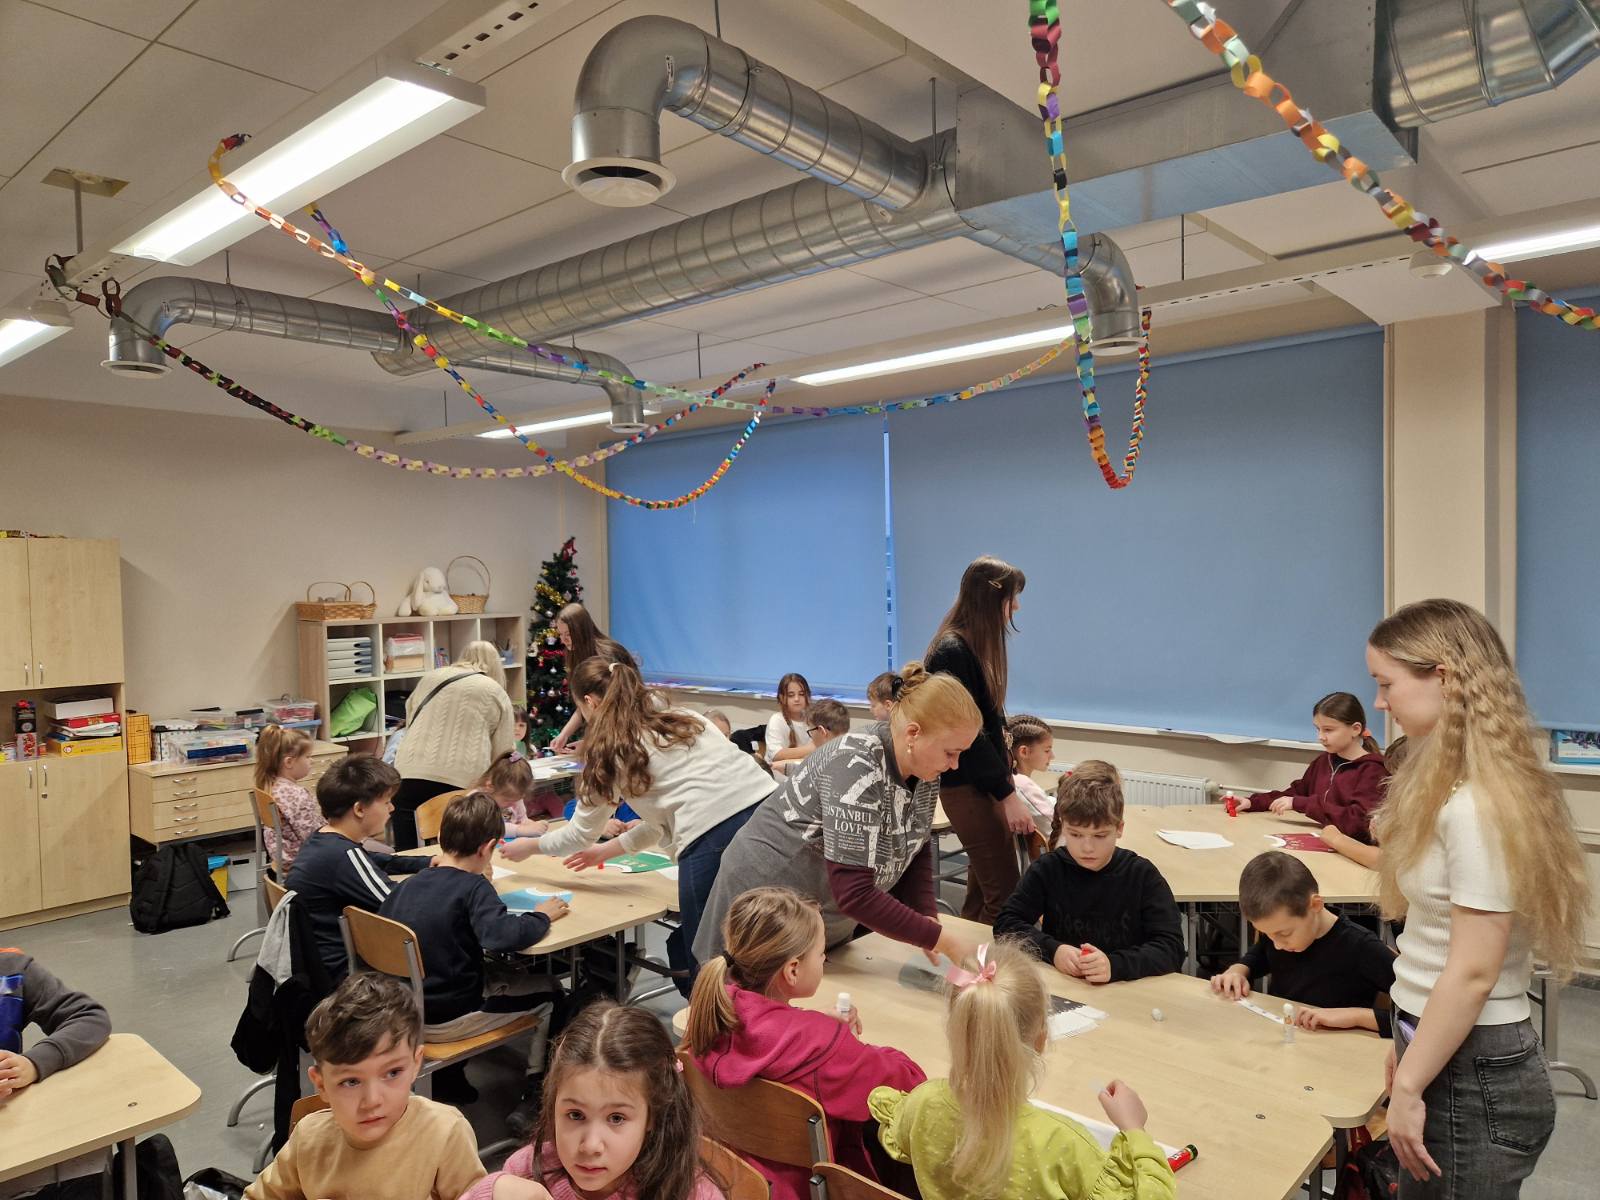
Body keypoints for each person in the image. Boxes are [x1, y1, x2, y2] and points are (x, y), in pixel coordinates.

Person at [1366, 598, 1589, 1193]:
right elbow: (1433, 946)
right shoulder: (1448, 786)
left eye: (1386, 684)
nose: (1380, 702)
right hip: (1441, 1043)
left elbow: (1472, 972)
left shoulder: (1475, 806)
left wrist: (1410, 1084)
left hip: (1474, 1065)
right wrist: (1408, 1049)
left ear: (1442, 678)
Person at [502, 659, 775, 992]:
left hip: (712, 839)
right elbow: (668, 818)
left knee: (706, 960)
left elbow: (579, 834)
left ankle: (717, 1023)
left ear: (590, 702)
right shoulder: (683, 719)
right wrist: (606, 851)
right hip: (768, 818)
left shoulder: (610, 750)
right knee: (758, 941)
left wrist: (530, 847)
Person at [695, 663, 982, 968]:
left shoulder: (926, 768)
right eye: (950, 752)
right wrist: (942, 940)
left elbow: (914, 840)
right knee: (744, 990)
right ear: (913, 733)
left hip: (817, 912)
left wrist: (926, 915)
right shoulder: (856, 762)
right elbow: (855, 893)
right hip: (763, 905)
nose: (955, 764)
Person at [868, 940, 1175, 1200]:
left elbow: (894, 1135)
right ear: (1041, 1039)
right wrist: (1135, 1131)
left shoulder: (922, 1105)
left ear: (957, 1027)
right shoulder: (1062, 1146)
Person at [685, 887, 926, 1199]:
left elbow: (766, 1034)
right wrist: (840, 1041)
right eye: (821, 952)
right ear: (793, 970)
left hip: (728, 1176)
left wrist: (808, 1021)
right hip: (804, 1189)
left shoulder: (709, 1014)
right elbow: (907, 1084)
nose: (824, 958)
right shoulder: (823, 1046)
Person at [380, 791, 568, 1129]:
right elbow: (504, 936)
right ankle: (537, 1094)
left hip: (403, 1010)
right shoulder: (473, 888)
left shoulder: (409, 884)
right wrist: (542, 915)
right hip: (448, 1018)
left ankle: (448, 1079)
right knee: (552, 992)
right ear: (488, 848)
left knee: (485, 968)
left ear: (441, 838)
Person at [245, 973, 484, 1200]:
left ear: (415, 1063)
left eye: (392, 1073)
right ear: (321, 1084)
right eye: (351, 1081)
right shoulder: (309, 1138)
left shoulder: (445, 1133)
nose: (372, 1100)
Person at [459, 1001, 726, 1200]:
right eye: (575, 1114)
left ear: (652, 1116)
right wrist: (493, 1190)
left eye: (616, 1118)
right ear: (553, 1106)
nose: (590, 1146)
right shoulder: (527, 1171)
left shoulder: (689, 1192)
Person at [994, 762, 1183, 983]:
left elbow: (1171, 948)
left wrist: (1115, 965)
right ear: (1063, 826)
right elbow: (1006, 925)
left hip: (1126, 989)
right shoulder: (1048, 869)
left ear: (1119, 829)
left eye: (1100, 836)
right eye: (1075, 834)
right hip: (1067, 988)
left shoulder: (1142, 875)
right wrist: (1054, 950)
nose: (1087, 848)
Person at [924, 555, 1034, 923]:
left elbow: (990, 721)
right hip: (967, 785)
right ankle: (994, 962)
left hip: (983, 783)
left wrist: (1007, 783)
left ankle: (969, 957)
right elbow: (970, 736)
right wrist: (1007, 795)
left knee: (982, 895)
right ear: (991, 599)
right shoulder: (951, 651)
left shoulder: (971, 647)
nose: (1016, 607)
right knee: (1005, 897)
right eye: (1011, 599)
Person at [1210, 851, 1396, 1033]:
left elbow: (1411, 1020)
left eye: (1284, 933)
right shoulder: (1281, 934)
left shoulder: (1361, 947)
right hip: (1290, 1037)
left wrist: (1356, 1016)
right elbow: (1260, 955)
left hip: (1338, 1047)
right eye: (1267, 934)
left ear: (1315, 905)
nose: (1277, 945)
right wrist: (1238, 970)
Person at [284, 755, 430, 980]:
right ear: (360, 809)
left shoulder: (323, 840)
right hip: (348, 975)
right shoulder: (342, 856)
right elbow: (400, 905)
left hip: (319, 963)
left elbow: (370, 859)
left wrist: (426, 862)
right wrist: (440, 879)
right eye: (386, 802)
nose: (392, 808)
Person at [393, 641, 515, 850]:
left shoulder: (431, 677)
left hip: (408, 770)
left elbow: (410, 716)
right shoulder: (494, 690)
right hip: (460, 778)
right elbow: (504, 752)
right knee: (458, 848)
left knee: (408, 848)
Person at [1243, 692, 1388, 842]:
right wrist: (1252, 803)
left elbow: (1357, 822)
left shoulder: (1373, 771)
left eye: (1328, 730)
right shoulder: (1323, 761)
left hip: (1349, 848)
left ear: (1355, 729)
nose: (1321, 737)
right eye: (1318, 729)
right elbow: (1296, 793)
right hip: (1320, 839)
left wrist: (1301, 803)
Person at [547, 604, 636, 753]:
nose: (563, 640)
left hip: (625, 732)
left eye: (568, 634)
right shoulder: (575, 654)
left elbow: (616, 709)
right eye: (560, 634)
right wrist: (564, 734)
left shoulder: (607, 655)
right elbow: (584, 704)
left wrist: (592, 742)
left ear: (581, 630)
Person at [255, 723, 319, 870]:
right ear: (289, 762)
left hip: (282, 855)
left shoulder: (273, 786)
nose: (312, 761)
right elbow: (312, 837)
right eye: (308, 757)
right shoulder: (296, 795)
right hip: (300, 859)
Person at [1006, 714, 1054, 837]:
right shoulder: (1022, 785)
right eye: (1047, 750)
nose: (1052, 756)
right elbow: (1054, 829)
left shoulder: (1010, 781)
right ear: (1024, 752)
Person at [764, 673, 813, 776]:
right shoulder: (776, 720)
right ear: (782, 698)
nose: (797, 699)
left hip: (803, 771)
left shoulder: (813, 719)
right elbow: (776, 755)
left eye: (801, 694)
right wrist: (810, 748)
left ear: (807, 696)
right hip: (778, 773)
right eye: (791, 695)